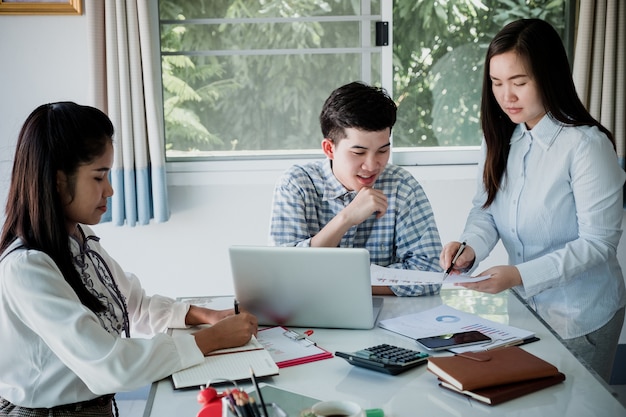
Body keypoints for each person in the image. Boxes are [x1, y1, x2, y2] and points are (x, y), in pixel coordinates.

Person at [0, 102, 258, 416]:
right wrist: (210, 340)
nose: (109, 190)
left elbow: (133, 305)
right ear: (57, 180)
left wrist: (207, 316)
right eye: (99, 177)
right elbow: (110, 366)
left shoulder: (78, 239)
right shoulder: (27, 268)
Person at [439, 19, 626, 382]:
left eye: (519, 83)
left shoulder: (586, 146)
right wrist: (470, 248)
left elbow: (598, 243)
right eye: (496, 83)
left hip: (581, 313)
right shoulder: (500, 137)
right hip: (525, 312)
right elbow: (486, 210)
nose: (506, 96)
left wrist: (519, 275)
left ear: (549, 76)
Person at [269, 81, 443, 297]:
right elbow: (285, 276)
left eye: (382, 151)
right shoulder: (296, 185)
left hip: (387, 318)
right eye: (358, 153)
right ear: (329, 148)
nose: (372, 166)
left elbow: (430, 274)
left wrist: (342, 287)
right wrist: (346, 218)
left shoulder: (402, 187)